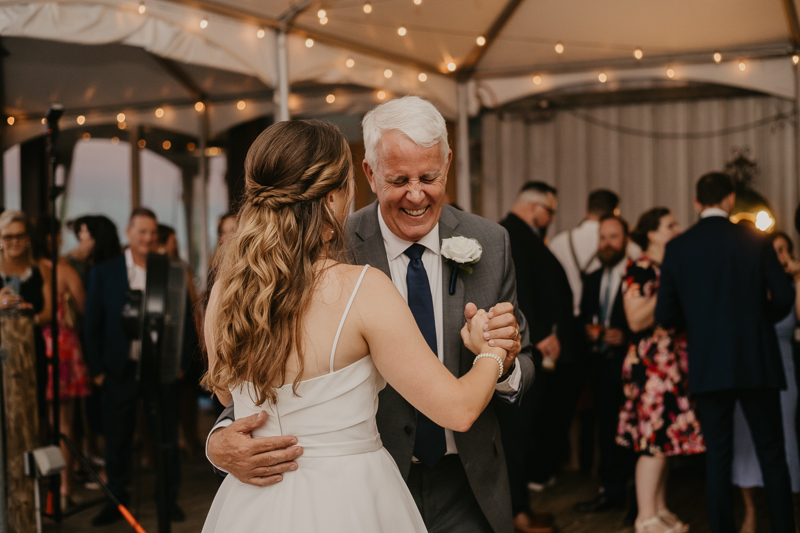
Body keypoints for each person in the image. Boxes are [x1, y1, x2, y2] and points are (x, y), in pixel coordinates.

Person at [205, 97, 534, 533]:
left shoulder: (229, 287)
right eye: (399, 179)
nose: (416, 193)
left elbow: (234, 392)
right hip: (363, 493)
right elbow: (458, 408)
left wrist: (507, 358)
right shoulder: (356, 273)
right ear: (360, 179)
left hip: (264, 507)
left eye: (429, 176)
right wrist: (489, 351)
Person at [656, 172, 796, 533]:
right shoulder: (756, 239)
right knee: (772, 453)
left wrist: (702, 326)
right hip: (757, 360)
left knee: (717, 458)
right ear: (731, 200)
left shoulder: (679, 247)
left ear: (697, 203)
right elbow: (783, 296)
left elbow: (665, 315)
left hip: (708, 363)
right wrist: (758, 323)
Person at [84, 207, 184, 526]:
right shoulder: (105, 271)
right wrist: (98, 369)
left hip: (159, 369)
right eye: (142, 231)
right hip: (119, 369)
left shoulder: (167, 269)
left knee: (164, 438)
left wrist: (180, 362)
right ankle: (116, 499)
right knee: (118, 439)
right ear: (128, 233)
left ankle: (168, 500)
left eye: (153, 232)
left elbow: (182, 320)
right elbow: (92, 324)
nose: (149, 238)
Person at [617, 207, 705, 533]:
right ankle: (645, 517)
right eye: (670, 225)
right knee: (653, 440)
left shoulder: (667, 266)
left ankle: (660, 506)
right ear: (651, 233)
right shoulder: (640, 268)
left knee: (666, 440)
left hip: (674, 364)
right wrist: (670, 281)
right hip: (651, 365)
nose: (677, 229)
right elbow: (635, 319)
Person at [497, 181, 576, 533]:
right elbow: (519, 290)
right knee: (515, 433)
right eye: (550, 211)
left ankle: (521, 508)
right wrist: (541, 333)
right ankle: (516, 513)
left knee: (525, 429)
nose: (551, 218)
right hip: (524, 349)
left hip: (536, 346)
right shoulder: (510, 234)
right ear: (534, 206)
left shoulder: (523, 235)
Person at [732, 230, 800, 533]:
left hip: (783, 371)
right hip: (746, 370)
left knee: (785, 442)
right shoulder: (748, 285)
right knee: (744, 441)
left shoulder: (792, 286)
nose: (780, 255)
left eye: (784, 250)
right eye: (774, 250)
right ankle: (750, 511)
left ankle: (788, 514)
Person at [574, 215, 636, 515]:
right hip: (600, 368)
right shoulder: (593, 278)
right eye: (602, 237)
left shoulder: (638, 275)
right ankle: (611, 492)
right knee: (607, 430)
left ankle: (638, 498)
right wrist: (587, 330)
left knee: (633, 431)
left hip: (631, 366)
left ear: (626, 240)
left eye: (613, 237)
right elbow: (585, 316)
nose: (606, 244)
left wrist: (625, 336)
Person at [31, 215, 90, 508]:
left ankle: (42, 481)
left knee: (40, 421)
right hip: (62, 347)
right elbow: (85, 307)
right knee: (65, 423)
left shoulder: (28, 272)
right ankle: (64, 486)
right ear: (51, 238)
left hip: (33, 348)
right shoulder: (61, 270)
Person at [0, 211, 50, 432]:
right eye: (8, 237)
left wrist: (33, 316)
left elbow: (48, 312)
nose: (14, 242)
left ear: (28, 238)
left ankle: (30, 464)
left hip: (32, 349)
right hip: (2, 351)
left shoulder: (42, 270)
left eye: (19, 235)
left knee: (34, 410)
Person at [550, 189, 624, 316]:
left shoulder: (558, 242)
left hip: (565, 314)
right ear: (615, 212)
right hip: (601, 315)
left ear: (587, 210)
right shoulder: (622, 242)